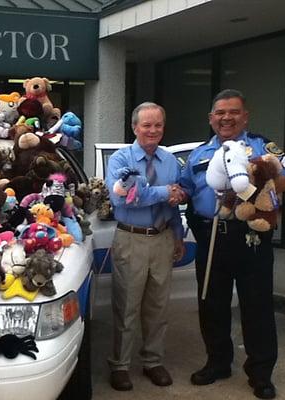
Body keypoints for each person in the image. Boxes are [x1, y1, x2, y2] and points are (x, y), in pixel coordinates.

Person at [179, 89, 285, 399]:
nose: (226, 117)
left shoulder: (262, 146)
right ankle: (218, 362)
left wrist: (259, 177)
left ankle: (260, 374)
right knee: (211, 304)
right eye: (220, 113)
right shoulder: (198, 154)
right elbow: (186, 190)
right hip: (211, 236)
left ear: (245, 116)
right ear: (211, 118)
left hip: (251, 237)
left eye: (233, 112)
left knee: (257, 306)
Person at [106, 102, 185, 391]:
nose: (153, 130)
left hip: (163, 238)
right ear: (135, 127)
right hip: (131, 238)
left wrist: (177, 235)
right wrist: (166, 192)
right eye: (147, 125)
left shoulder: (170, 161)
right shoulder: (119, 159)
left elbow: (173, 205)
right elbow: (124, 197)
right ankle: (120, 365)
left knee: (158, 306)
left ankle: (153, 361)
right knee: (126, 305)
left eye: (158, 125)